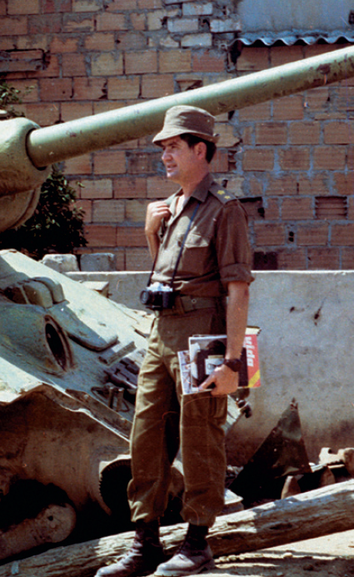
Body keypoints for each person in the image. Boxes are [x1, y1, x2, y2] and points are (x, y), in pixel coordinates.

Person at [97, 105, 253, 577]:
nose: (164, 155)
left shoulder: (225, 211)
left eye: (172, 147)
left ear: (199, 149)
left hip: (202, 336)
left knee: (199, 437)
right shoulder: (169, 210)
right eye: (162, 148)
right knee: (146, 437)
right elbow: (163, 278)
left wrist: (232, 361)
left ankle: (197, 542)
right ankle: (145, 542)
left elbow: (237, 289)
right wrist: (151, 232)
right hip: (161, 334)